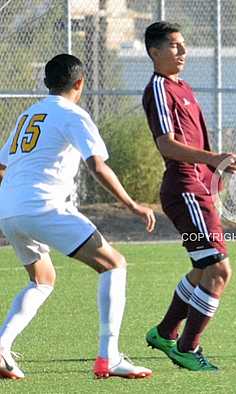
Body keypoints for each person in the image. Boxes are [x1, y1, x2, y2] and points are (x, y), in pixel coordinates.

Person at [0, 54, 156, 380]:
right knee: (114, 264)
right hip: (44, 207)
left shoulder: (28, 115)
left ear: (47, 82)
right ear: (80, 83)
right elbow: (97, 165)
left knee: (42, 279)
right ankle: (109, 356)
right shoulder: (73, 114)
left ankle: (1, 346)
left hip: (9, 209)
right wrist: (132, 204)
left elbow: (1, 167)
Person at [142, 22, 236, 372]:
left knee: (203, 268)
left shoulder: (183, 87)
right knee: (218, 269)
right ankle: (187, 348)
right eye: (174, 46)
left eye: (183, 45)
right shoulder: (158, 89)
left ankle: (166, 332)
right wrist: (211, 161)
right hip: (183, 189)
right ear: (154, 52)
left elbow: (199, 140)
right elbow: (166, 144)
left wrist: (215, 171)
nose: (182, 52)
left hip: (198, 187)